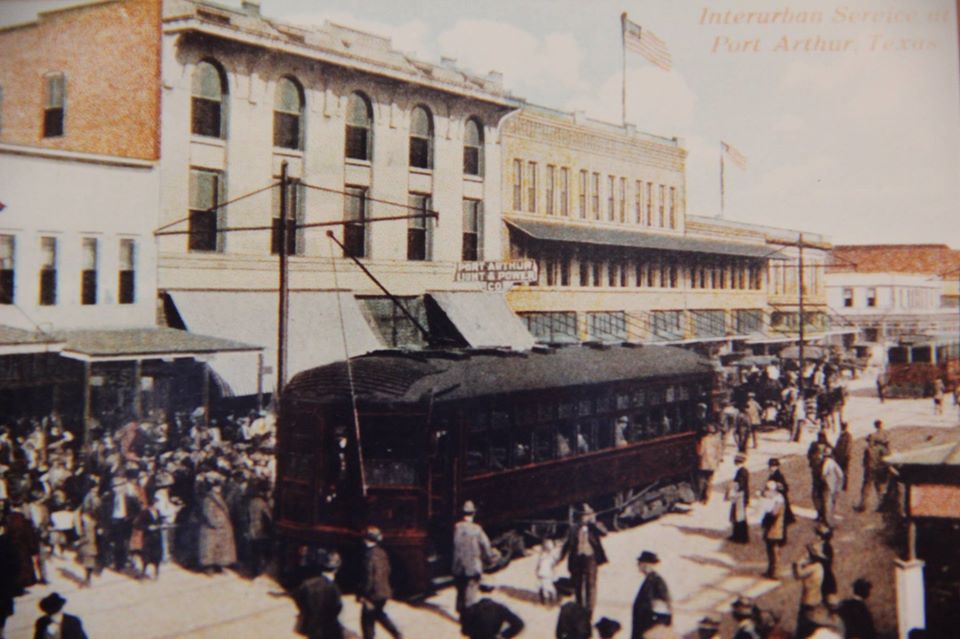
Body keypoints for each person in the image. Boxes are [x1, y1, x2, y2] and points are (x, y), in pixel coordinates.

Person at [559, 504, 608, 618]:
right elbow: (567, 545)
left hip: (590, 558)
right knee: (578, 585)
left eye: (586, 516)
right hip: (577, 559)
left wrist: (594, 522)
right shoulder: (574, 528)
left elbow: (605, 532)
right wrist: (559, 558)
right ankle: (580, 608)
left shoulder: (594, 527)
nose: (584, 518)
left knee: (590, 585)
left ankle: (590, 611)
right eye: (583, 516)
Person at [452, 501, 496, 615]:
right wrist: (490, 558)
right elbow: (486, 546)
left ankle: (460, 611)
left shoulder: (457, 527)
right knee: (470, 592)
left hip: (458, 565)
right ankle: (468, 616)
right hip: (473, 566)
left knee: (460, 589)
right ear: (473, 514)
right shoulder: (477, 529)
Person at [358, 527, 402, 639]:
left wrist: (364, 595)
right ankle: (397, 634)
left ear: (366, 540)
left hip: (373, 594)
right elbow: (388, 570)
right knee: (379, 614)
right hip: (384, 591)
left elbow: (368, 577)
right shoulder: (382, 552)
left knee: (367, 621)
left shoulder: (368, 555)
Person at [293, 552, 344, 639]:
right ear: (336, 570)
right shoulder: (333, 587)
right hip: (327, 629)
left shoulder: (307, 584)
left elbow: (299, 599)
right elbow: (337, 607)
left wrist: (306, 612)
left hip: (311, 626)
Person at [198, 474, 236, 573]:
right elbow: (208, 513)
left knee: (220, 547)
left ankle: (219, 565)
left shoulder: (217, 497)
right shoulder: (208, 499)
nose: (219, 488)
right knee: (210, 548)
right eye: (217, 486)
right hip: (213, 527)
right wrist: (215, 523)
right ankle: (209, 567)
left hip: (221, 526)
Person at [631, 551, 670, 639]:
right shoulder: (650, 580)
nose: (638, 566)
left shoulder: (656, 582)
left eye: (639, 563)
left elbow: (662, 610)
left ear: (646, 564)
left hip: (649, 631)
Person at [855, 420, 890, 512]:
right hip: (879, 470)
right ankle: (881, 506)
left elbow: (865, 461)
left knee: (867, 488)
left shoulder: (870, 449)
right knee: (879, 489)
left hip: (870, 470)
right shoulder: (883, 449)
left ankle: (863, 506)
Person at [794, 544, 826, 639]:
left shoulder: (813, 568)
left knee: (803, 625)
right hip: (817, 599)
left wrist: (798, 564)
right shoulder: (820, 566)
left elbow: (798, 575)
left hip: (808, 600)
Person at [760, 480, 787, 579]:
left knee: (774, 551)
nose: (766, 491)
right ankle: (771, 570)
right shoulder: (775, 498)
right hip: (771, 528)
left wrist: (765, 512)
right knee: (770, 550)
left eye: (768, 489)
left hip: (775, 529)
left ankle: (775, 572)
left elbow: (774, 513)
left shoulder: (779, 500)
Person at [460, 598, 524, 639]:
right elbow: (519, 624)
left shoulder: (471, 610)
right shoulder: (499, 608)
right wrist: (504, 635)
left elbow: (464, 631)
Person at [696, 424, 723, 503]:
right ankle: (707, 498)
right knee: (710, 481)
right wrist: (718, 462)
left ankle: (701, 496)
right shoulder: (717, 440)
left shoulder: (704, 440)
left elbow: (700, 452)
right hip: (712, 463)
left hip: (704, 462)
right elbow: (719, 452)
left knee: (702, 480)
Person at [727, 453, 749, 543]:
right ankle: (737, 535)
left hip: (740, 496)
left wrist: (732, 488)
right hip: (740, 496)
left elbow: (740, 484)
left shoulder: (742, 471)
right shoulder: (742, 470)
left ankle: (741, 537)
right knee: (737, 516)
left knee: (739, 516)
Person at [820, 451, 845, 527]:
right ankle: (832, 521)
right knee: (833, 504)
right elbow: (841, 475)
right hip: (835, 486)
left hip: (828, 486)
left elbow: (823, 475)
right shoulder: (834, 463)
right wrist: (839, 486)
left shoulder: (827, 463)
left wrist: (824, 482)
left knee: (828, 504)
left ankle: (828, 522)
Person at [536, 538, 561, 605]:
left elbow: (553, 565)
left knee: (548, 587)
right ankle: (548, 601)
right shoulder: (543, 556)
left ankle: (551, 600)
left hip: (546, 573)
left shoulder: (549, 556)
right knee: (546, 588)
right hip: (544, 573)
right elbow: (539, 564)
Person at [833, 422, 853, 492]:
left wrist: (845, 455)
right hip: (840, 456)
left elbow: (848, 447)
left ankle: (845, 486)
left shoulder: (848, 436)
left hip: (844, 457)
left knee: (845, 471)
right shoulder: (841, 435)